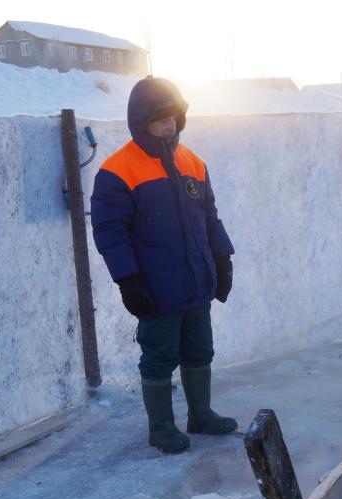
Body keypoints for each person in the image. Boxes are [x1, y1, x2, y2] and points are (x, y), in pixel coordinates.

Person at [91, 76, 237, 454]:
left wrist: (223, 259)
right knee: (159, 357)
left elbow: (210, 219)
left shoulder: (194, 163)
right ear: (141, 121)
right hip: (157, 289)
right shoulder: (117, 170)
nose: (170, 125)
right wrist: (128, 281)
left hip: (196, 282)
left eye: (174, 117)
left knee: (199, 350)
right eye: (160, 118)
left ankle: (200, 414)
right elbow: (110, 232)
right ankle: (161, 427)